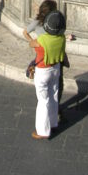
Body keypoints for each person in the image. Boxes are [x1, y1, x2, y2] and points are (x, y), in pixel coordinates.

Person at [28, 9, 67, 140]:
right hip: (56, 68)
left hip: (43, 71)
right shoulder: (62, 38)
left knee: (43, 100)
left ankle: (43, 131)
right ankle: (53, 122)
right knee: (54, 94)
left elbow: (31, 44)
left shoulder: (42, 40)